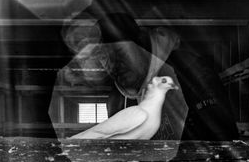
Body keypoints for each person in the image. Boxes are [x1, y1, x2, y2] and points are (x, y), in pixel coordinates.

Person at [95, 12, 238, 141]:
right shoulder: (116, 99)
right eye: (104, 57)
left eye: (120, 52)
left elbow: (222, 144)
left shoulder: (189, 71)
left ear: (142, 44)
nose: (113, 64)